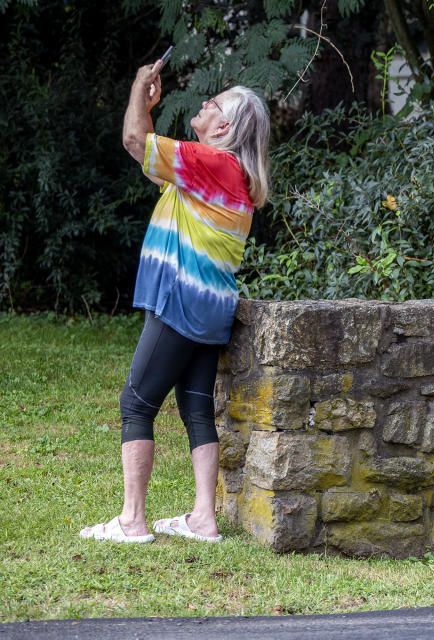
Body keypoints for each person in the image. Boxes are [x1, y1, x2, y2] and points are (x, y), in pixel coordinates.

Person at [80, 54, 270, 543]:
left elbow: (131, 141)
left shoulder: (213, 164)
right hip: (211, 311)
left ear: (224, 125)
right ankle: (203, 518)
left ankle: (132, 521)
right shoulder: (227, 175)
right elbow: (148, 160)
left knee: (136, 403)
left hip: (179, 303)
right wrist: (146, 107)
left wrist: (137, 86)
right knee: (196, 409)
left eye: (211, 103)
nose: (203, 104)